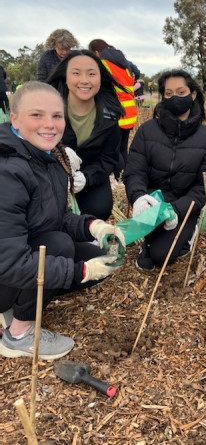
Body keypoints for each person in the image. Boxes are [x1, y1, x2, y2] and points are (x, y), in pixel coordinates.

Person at [0, 82, 125, 360]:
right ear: (15, 119)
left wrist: (95, 226)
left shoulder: (48, 158)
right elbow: (9, 261)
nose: (50, 124)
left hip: (21, 255)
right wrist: (79, 272)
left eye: (57, 116)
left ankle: (20, 302)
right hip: (6, 267)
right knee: (58, 246)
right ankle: (18, 335)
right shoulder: (8, 170)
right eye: (37, 115)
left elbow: (57, 216)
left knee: (97, 256)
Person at [123, 69, 206, 270]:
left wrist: (176, 210)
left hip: (182, 208)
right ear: (163, 97)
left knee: (160, 256)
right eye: (169, 94)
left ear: (193, 95)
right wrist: (139, 197)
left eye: (181, 92)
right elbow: (135, 171)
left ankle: (189, 230)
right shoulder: (147, 131)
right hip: (152, 202)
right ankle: (149, 239)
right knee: (144, 259)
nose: (175, 98)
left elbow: (204, 187)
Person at [47, 50, 124, 220]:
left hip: (90, 174)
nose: (84, 80)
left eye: (91, 74)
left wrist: (86, 178)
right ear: (65, 77)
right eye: (76, 73)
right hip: (52, 174)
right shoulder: (47, 108)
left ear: (100, 78)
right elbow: (29, 143)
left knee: (100, 208)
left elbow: (109, 158)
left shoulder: (110, 115)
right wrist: (59, 150)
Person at [88, 40, 137, 179]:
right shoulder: (123, 64)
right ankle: (127, 177)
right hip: (129, 110)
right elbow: (136, 75)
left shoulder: (103, 63)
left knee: (114, 150)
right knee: (122, 148)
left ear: (96, 53)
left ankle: (121, 178)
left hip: (116, 111)